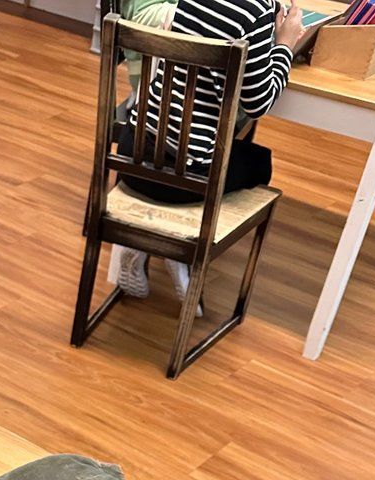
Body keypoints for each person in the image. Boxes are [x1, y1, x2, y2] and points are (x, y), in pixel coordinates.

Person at [114, 0, 306, 301]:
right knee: (258, 163)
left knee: (200, 146)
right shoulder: (255, 13)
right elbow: (258, 103)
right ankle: (181, 243)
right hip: (187, 179)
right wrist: (284, 45)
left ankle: (146, 238)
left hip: (130, 155)